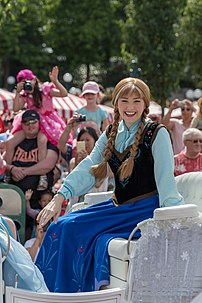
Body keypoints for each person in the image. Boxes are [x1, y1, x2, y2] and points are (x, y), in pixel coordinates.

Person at [36, 77, 183, 293]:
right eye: (124, 101)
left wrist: (173, 222)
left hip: (144, 211)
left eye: (136, 101)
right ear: (116, 104)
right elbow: (89, 167)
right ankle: (46, 291)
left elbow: (166, 182)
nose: (130, 107)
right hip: (117, 207)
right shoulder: (111, 133)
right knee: (61, 225)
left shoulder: (157, 133)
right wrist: (60, 197)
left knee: (69, 227)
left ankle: (67, 292)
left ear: (145, 104)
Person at [6, 66, 70, 190]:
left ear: (35, 80)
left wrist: (55, 81)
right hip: (32, 123)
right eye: (24, 83)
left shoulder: (45, 90)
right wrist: (18, 92)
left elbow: (64, 94)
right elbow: (15, 109)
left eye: (29, 81)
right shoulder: (25, 94)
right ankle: (8, 172)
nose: (28, 85)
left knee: (41, 140)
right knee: (10, 142)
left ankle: (43, 176)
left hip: (48, 123)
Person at [7, 109, 59, 240]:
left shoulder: (46, 140)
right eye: (26, 122)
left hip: (39, 200)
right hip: (15, 199)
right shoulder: (15, 141)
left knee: (36, 235)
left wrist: (23, 171)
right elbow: (3, 163)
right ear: (21, 124)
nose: (30, 125)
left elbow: (48, 165)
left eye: (33, 122)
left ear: (39, 123)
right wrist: (12, 168)